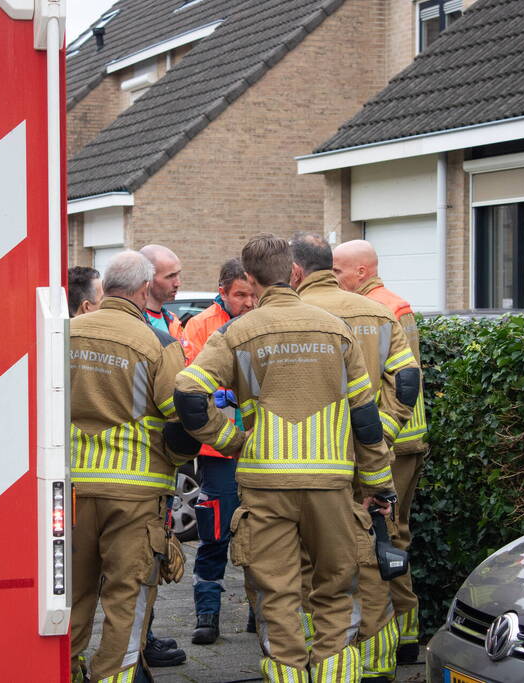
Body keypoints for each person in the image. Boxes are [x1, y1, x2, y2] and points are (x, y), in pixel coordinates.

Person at [174, 234, 396, 682]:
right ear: (294, 272)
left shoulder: (237, 331)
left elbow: (188, 393)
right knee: (335, 591)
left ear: (250, 281)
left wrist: (234, 440)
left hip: (265, 487)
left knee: (277, 596)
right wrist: (377, 483)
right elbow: (366, 418)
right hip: (331, 486)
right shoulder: (336, 330)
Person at [291, 232, 421, 682]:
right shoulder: (381, 312)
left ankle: (323, 654)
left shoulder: (298, 316)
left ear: (295, 272)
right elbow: (406, 381)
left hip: (317, 460)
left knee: (318, 557)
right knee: (374, 548)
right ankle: (379, 659)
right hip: (376, 456)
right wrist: (378, 438)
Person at [68, 251, 200, 683]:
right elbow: (180, 424)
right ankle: (114, 676)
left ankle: (63, 670)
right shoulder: (158, 344)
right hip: (135, 492)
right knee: (128, 595)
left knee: (71, 593)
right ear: (145, 290)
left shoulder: (65, 333)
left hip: (70, 491)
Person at [334, 239, 429, 665]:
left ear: (361, 271)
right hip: (390, 439)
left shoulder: (391, 308)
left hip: (396, 442)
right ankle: (401, 632)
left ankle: (403, 631)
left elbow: (406, 378)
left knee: (391, 534)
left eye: (338, 270)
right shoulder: (373, 306)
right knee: (387, 534)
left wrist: (381, 437)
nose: (333, 277)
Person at [182, 258, 257, 644]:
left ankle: (259, 612)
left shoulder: (262, 322)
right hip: (217, 452)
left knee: (262, 534)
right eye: (239, 295)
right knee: (214, 533)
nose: (247, 301)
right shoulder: (200, 325)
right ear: (223, 291)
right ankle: (207, 613)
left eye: (251, 293)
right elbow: (194, 382)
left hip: (260, 450)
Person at [137, 244, 191, 667]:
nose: (178, 283)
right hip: (137, 461)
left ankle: (145, 635)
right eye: (170, 276)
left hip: (163, 460)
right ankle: (134, 646)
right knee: (136, 559)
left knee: (157, 552)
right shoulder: (135, 324)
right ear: (146, 278)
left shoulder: (171, 321)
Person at [140, 244, 187, 346]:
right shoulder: (136, 321)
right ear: (148, 279)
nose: (177, 283)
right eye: (170, 276)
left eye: (178, 274)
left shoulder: (172, 319)